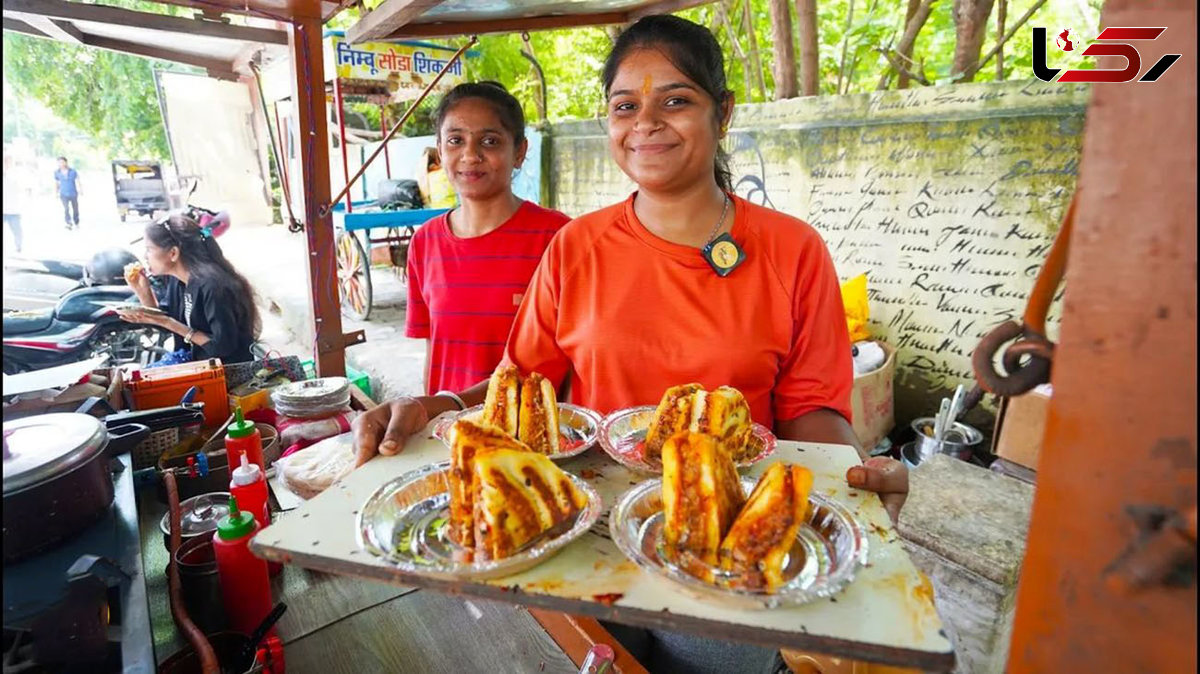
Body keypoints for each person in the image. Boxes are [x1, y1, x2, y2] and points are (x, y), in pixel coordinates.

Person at [353, 15, 908, 673]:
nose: (645, 122)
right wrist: (437, 405)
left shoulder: (793, 251)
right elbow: (521, 389)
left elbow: (811, 412)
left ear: (722, 112)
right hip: (577, 535)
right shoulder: (576, 248)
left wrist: (851, 484)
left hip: (714, 549)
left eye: (676, 100)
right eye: (625, 105)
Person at [406, 81, 570, 397]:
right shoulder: (425, 243)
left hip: (534, 436)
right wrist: (429, 416)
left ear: (519, 152)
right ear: (440, 151)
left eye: (490, 141)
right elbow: (434, 351)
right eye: (455, 140)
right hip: (452, 435)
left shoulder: (558, 238)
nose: (470, 155)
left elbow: (574, 358)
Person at [117, 215, 260, 364]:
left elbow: (222, 347)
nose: (145, 257)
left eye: (149, 249)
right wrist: (142, 290)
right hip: (197, 364)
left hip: (227, 372)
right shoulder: (177, 280)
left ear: (173, 253)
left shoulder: (213, 286)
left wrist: (168, 322)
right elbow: (168, 321)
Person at [3, 153, 24, 253]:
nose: (7, 163)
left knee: (17, 231)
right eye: (6, 161)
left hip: (14, 209)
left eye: (9, 161)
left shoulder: (16, 174)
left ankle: (18, 248)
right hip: (6, 208)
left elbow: (21, 188)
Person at [53, 156, 81, 230]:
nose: (61, 164)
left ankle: (76, 221)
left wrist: (80, 189)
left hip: (73, 192)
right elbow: (56, 183)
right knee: (66, 208)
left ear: (66, 162)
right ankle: (68, 222)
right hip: (63, 193)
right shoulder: (57, 172)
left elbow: (78, 180)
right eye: (59, 162)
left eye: (62, 162)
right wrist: (56, 193)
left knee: (75, 208)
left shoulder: (73, 171)